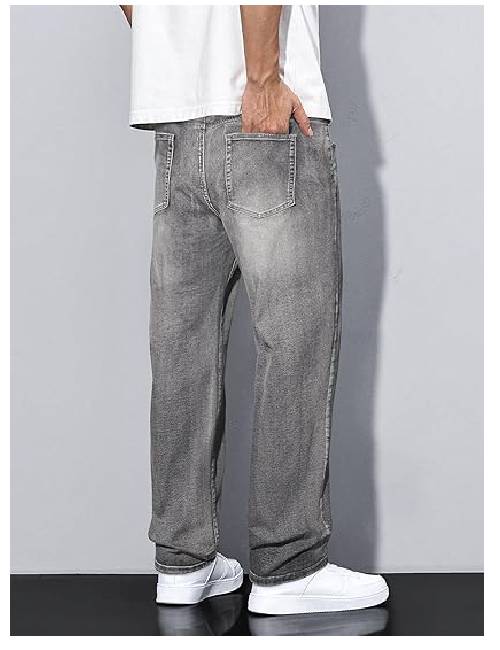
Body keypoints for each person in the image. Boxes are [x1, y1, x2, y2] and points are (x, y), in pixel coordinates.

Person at [120, 4, 389, 615]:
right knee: (294, 341)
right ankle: (288, 566)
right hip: (258, 109)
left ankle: (183, 562)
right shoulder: (260, 85)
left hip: (176, 122)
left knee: (183, 349)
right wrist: (262, 77)